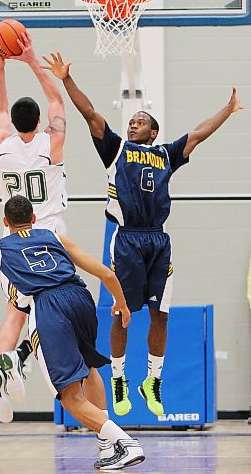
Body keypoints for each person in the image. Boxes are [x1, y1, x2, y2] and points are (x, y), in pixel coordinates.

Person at [41, 52, 243, 418]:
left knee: (159, 315)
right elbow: (90, 114)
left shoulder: (167, 154)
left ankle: (153, 381)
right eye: (131, 120)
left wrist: (227, 111)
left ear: (153, 131)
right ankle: (119, 379)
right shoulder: (116, 149)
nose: (133, 124)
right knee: (122, 313)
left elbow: (198, 134)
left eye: (140, 121)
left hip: (158, 241)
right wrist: (66, 80)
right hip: (128, 239)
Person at [0, 195, 145, 471]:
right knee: (90, 367)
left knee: (70, 397)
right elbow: (106, 274)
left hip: (48, 306)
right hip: (80, 296)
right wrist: (121, 303)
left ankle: (126, 443)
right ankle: (106, 444)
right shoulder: (54, 236)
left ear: (5, 222)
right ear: (34, 218)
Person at [0, 31, 68, 421]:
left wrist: (0, 66)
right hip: (47, 236)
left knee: (13, 313)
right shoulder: (49, 144)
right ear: (39, 122)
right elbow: (57, 99)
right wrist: (31, 59)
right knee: (48, 311)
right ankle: (24, 358)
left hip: (11, 241)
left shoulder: (4, 144)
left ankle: (5, 361)